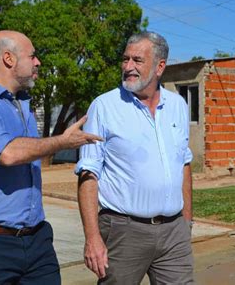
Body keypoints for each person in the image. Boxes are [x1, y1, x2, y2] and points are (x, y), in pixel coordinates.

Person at [0, 30, 102, 285]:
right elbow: (7, 153)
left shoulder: (23, 104)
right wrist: (63, 142)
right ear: (8, 59)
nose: (38, 62)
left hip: (36, 240)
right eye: (32, 56)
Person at [76, 31, 194, 284]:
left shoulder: (178, 105)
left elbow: (184, 163)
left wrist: (187, 222)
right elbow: (88, 172)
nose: (128, 67)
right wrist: (92, 238)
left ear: (160, 66)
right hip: (124, 230)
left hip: (174, 232)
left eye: (137, 60)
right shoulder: (104, 106)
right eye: (125, 59)